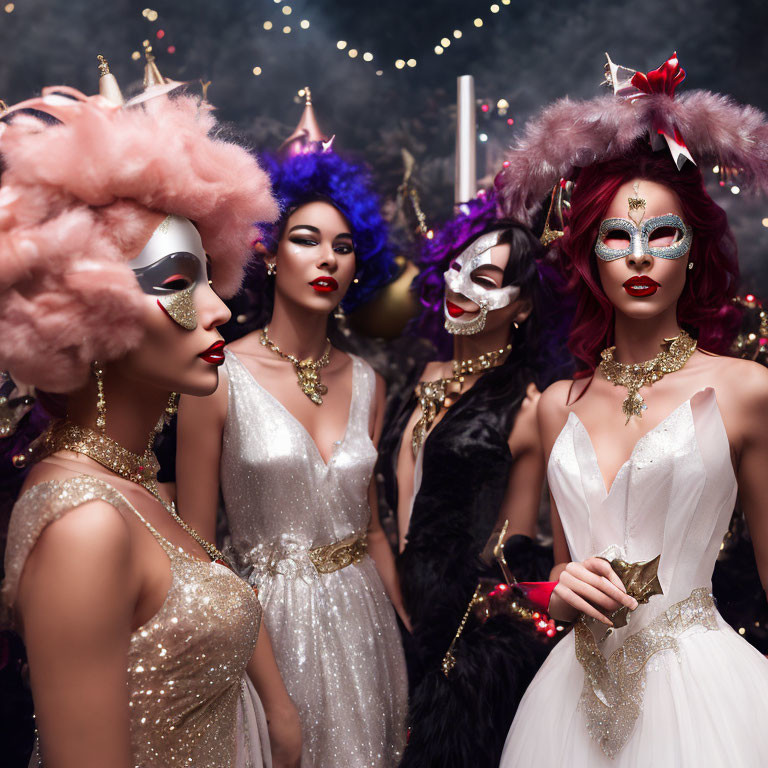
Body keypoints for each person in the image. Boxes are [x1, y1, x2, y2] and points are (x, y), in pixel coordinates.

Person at [0, 69, 301, 768]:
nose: (222, 306)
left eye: (208, 275)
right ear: (83, 303)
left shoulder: (129, 485)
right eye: (176, 282)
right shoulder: (84, 524)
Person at [496, 53, 768, 767]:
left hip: (706, 698)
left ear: (692, 254)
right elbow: (558, 575)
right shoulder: (558, 404)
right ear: (591, 256)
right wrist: (553, 593)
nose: (639, 256)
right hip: (568, 707)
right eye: (617, 237)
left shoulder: (745, 391)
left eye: (662, 236)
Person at [176, 116, 408, 767]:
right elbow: (198, 550)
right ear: (269, 252)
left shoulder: (369, 381)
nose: (327, 258)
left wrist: (403, 628)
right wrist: (270, 695)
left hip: (364, 619)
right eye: (305, 240)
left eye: (343, 245)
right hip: (264, 628)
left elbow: (373, 529)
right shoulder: (217, 377)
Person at [377, 190, 565, 767]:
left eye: (485, 278)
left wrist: (464, 630)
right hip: (386, 599)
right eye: (457, 269)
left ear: (523, 305)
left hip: (460, 626)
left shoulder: (530, 407)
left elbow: (516, 541)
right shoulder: (416, 375)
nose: (461, 286)